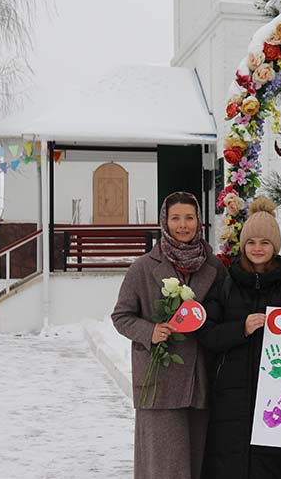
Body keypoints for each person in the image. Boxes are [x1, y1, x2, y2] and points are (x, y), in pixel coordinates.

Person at [111, 191, 226, 479]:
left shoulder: (215, 267)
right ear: (165, 221)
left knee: (198, 465)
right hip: (159, 382)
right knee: (163, 469)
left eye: (189, 217)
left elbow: (229, 310)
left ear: (199, 221)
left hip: (201, 381)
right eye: (176, 218)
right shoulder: (143, 268)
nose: (183, 225)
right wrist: (150, 331)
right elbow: (121, 316)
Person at [197, 197, 281, 479]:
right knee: (228, 465)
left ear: (275, 247)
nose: (258, 248)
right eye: (252, 242)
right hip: (230, 397)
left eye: (265, 243)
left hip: (277, 399)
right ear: (243, 245)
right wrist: (240, 329)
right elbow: (206, 334)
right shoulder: (225, 286)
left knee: (273, 466)